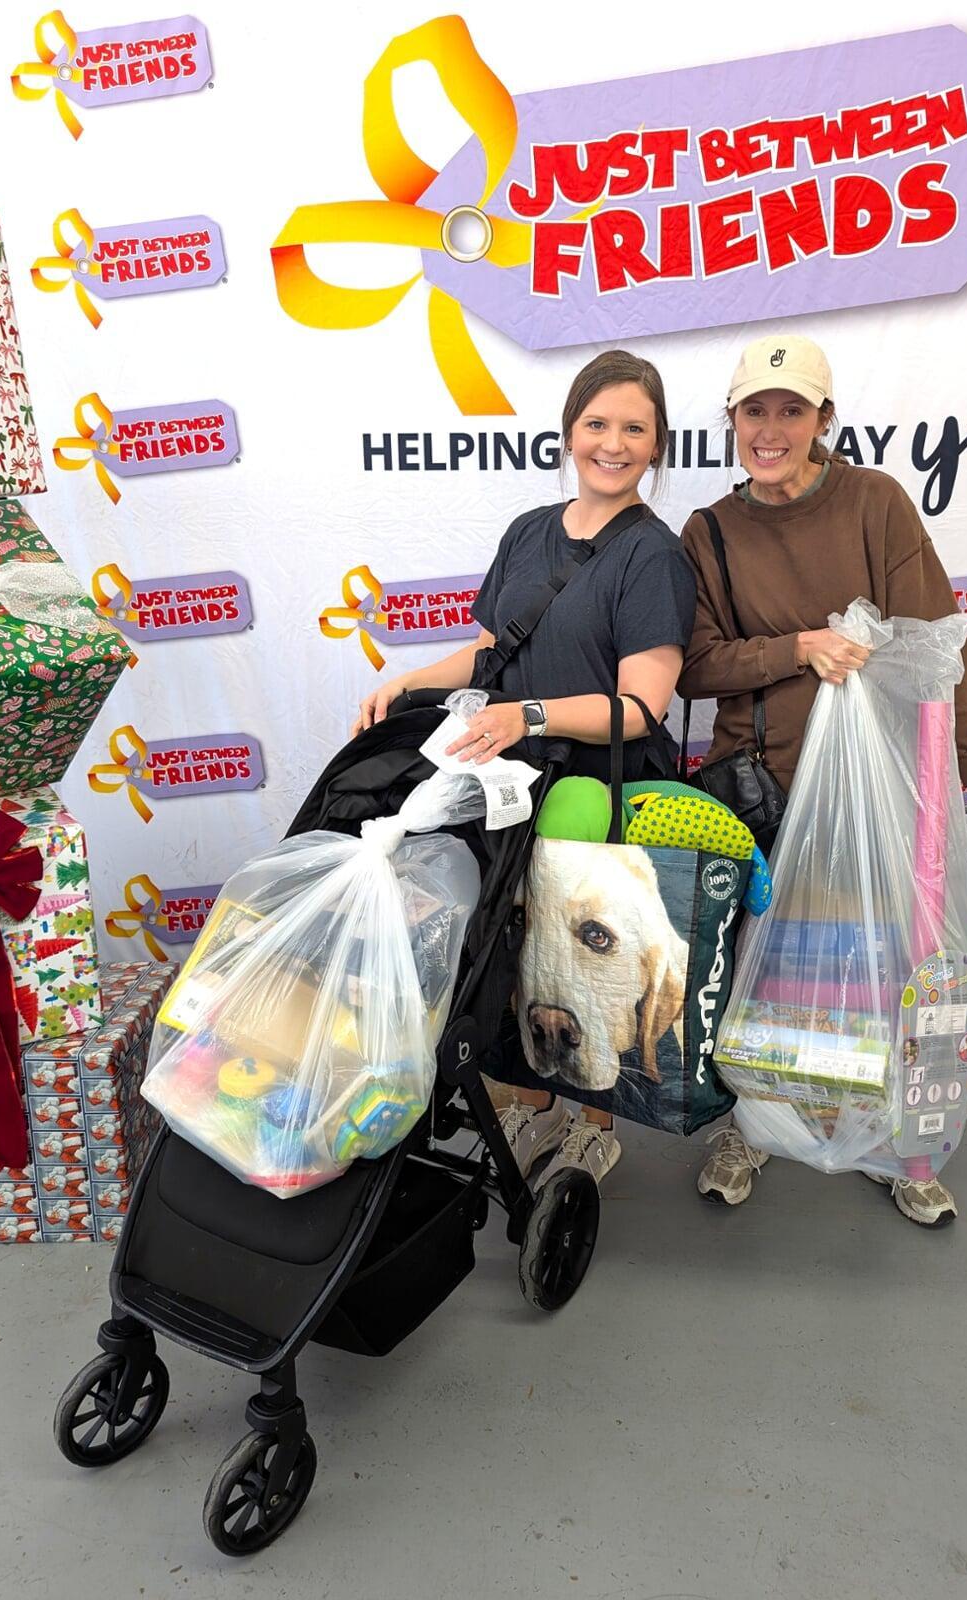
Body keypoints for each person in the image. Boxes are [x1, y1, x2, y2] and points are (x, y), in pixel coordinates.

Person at [680, 332, 967, 1228]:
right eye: (754, 409)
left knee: (886, 975)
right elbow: (697, 666)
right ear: (732, 420)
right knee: (758, 973)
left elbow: (940, 643)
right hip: (761, 787)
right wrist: (800, 648)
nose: (770, 428)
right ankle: (748, 1125)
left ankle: (896, 1143)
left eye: (791, 410)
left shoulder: (875, 503)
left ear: (822, 420)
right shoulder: (709, 531)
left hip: (881, 793)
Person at [353, 349, 697, 1188]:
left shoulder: (653, 556)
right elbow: (485, 651)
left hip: (596, 790)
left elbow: (641, 705)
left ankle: (591, 1125)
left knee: (573, 957)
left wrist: (530, 716)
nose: (612, 444)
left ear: (657, 447)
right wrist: (404, 680)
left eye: (633, 429)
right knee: (504, 947)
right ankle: (524, 1099)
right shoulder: (528, 533)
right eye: (596, 424)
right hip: (506, 778)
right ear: (569, 431)